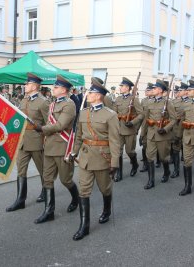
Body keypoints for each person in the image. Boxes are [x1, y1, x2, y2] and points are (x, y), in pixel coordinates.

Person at [69, 77, 120, 240]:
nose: (88, 94)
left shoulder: (110, 115)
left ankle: (106, 210)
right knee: (84, 191)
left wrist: (114, 163)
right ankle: (84, 226)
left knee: (105, 188)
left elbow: (114, 141)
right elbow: (78, 136)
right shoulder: (83, 112)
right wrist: (73, 152)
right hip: (85, 157)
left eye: (91, 92)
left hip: (101, 157)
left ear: (98, 95)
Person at [33, 75, 78, 224]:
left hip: (62, 147)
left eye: (56, 87)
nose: (53, 88)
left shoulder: (69, 105)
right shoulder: (52, 104)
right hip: (50, 146)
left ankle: (76, 198)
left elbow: (60, 126)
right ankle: (49, 211)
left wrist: (41, 129)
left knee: (66, 180)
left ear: (64, 90)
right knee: (47, 179)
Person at [6, 73, 50, 212]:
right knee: (21, 170)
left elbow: (48, 123)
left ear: (35, 86)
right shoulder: (24, 100)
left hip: (37, 141)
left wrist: (45, 140)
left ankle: (45, 191)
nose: (25, 86)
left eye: (28, 84)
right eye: (26, 84)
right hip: (23, 141)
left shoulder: (43, 102)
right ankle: (20, 200)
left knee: (43, 170)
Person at [140, 79, 177, 189]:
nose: (153, 90)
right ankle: (151, 180)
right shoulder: (150, 103)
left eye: (155, 88)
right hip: (151, 134)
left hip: (163, 135)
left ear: (160, 90)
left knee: (163, 157)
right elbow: (146, 119)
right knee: (150, 157)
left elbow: (174, 119)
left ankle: (166, 171)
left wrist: (165, 129)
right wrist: (142, 134)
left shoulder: (168, 103)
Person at [109, 77, 144, 182]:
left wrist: (132, 122)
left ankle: (135, 164)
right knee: (118, 152)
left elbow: (141, 114)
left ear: (127, 88)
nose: (120, 88)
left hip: (129, 130)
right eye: (120, 86)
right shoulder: (118, 99)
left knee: (130, 151)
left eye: (122, 86)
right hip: (119, 129)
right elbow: (114, 113)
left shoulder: (134, 99)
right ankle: (119, 173)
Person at [170, 83, 190, 177]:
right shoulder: (176, 102)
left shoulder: (191, 102)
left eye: (181, 90)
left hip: (187, 130)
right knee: (175, 150)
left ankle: (187, 168)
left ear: (186, 91)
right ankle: (176, 170)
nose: (179, 92)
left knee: (187, 151)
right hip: (177, 129)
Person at [139, 83, 155, 172]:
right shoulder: (144, 101)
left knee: (153, 147)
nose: (145, 92)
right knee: (144, 145)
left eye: (148, 90)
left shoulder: (155, 101)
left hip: (153, 126)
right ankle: (145, 164)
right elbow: (141, 115)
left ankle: (156, 160)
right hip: (145, 126)